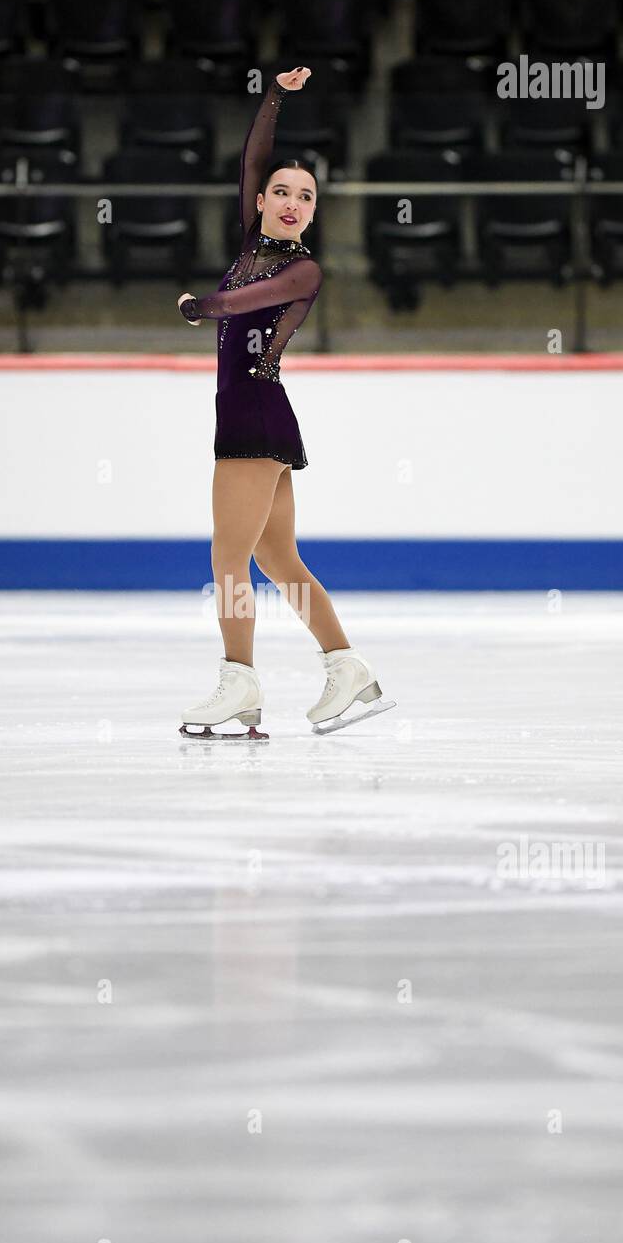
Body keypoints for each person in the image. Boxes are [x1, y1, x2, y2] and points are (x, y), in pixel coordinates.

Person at [177, 67, 393, 739]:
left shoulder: (300, 270)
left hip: (253, 418)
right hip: (258, 415)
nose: (292, 201)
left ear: (314, 212)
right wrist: (274, 96)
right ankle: (346, 666)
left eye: (306, 196)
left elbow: (240, 304)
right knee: (278, 561)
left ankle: (237, 679)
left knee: (227, 559)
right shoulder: (250, 244)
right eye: (281, 191)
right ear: (263, 201)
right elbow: (251, 157)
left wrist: (199, 306)